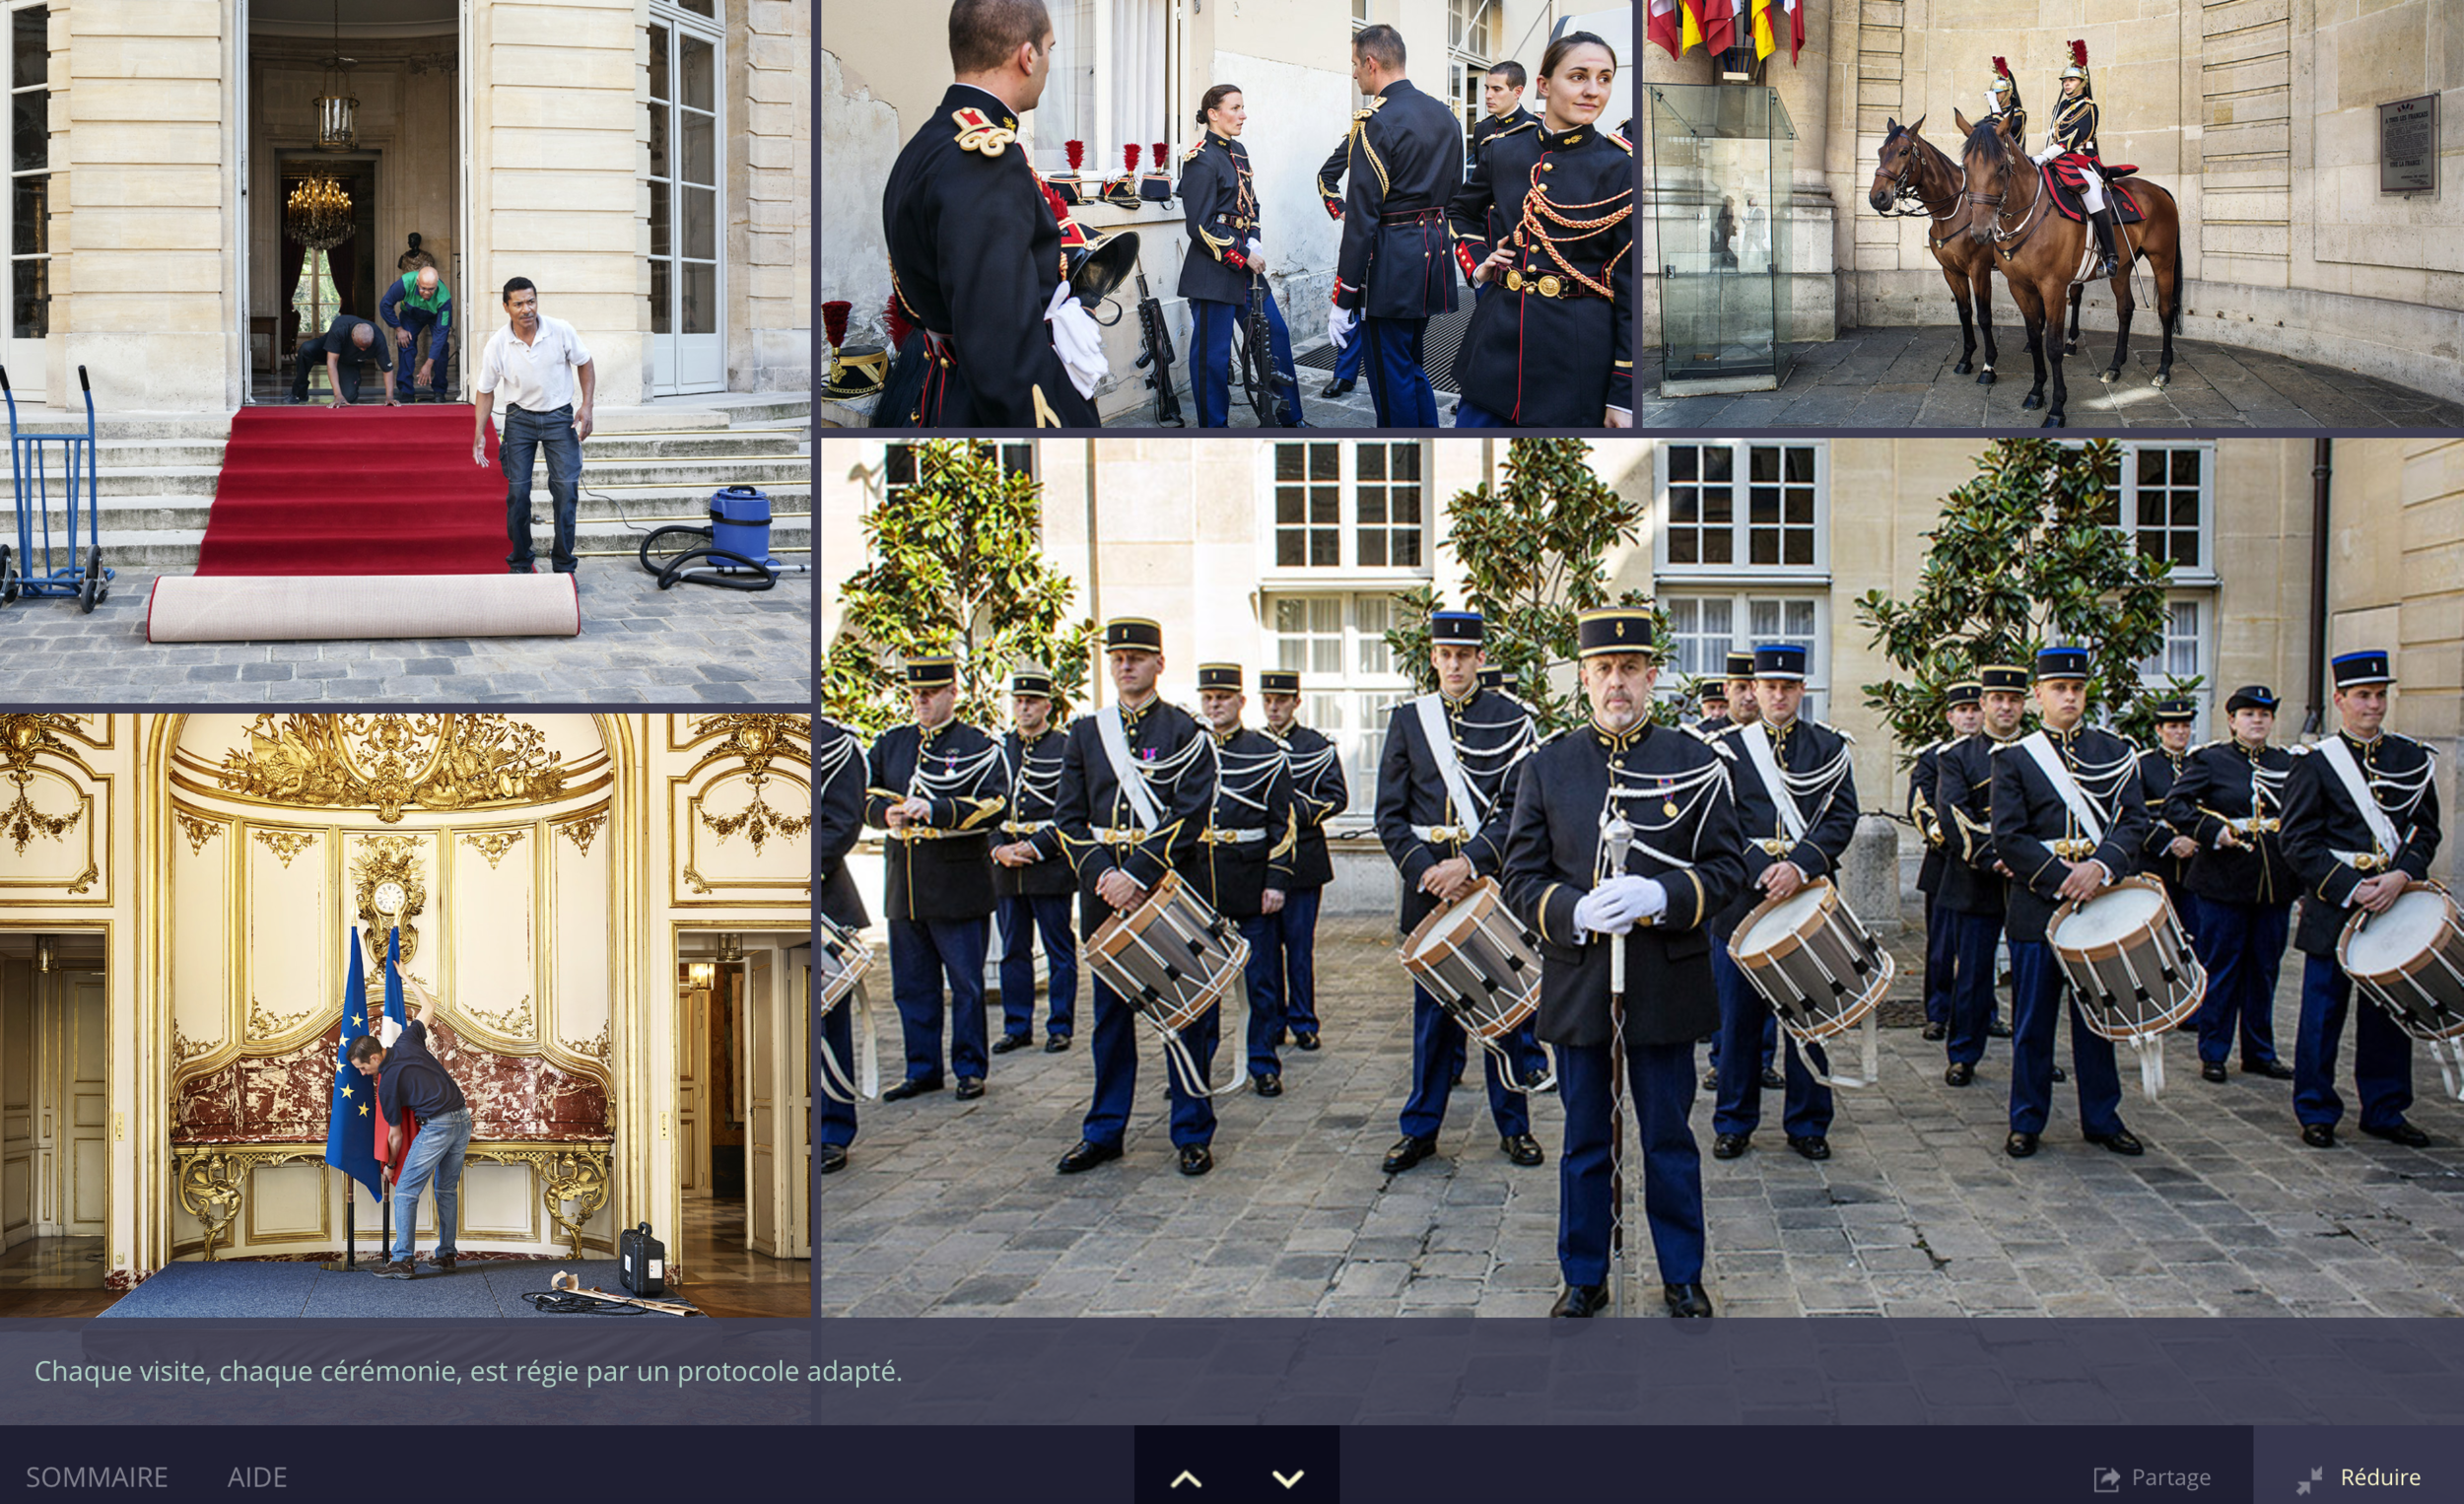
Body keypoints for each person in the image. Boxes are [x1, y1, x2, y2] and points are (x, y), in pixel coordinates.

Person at [1501, 608, 1744, 1319]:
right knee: (1582, 1137)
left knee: (1668, 1135)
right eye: (1604, 670)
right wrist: (1570, 910)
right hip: (1581, 980)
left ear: (1651, 677)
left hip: (1666, 977)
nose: (1617, 684)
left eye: (1630, 669)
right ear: (1584, 678)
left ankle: (1681, 1271)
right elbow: (1520, 876)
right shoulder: (1547, 766)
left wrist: (1664, 893)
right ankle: (1583, 1272)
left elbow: (1727, 867)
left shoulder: (1693, 760)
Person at [1043, 619, 1222, 1176]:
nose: (1126, 666)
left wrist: (1137, 873)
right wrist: (1102, 873)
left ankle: (1191, 1130)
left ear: (1159, 665)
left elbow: (1190, 814)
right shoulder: (1086, 733)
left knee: (1183, 1009)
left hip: (1166, 889)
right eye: (1118, 657)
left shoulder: (1185, 732)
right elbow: (1068, 818)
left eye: (1138, 657)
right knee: (1109, 1018)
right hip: (1102, 892)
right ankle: (1104, 1130)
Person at [1374, 609, 1547, 1174]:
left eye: (1464, 655)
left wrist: (1469, 864)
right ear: (1432, 657)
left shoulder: (1510, 719)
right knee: (1432, 1017)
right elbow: (1389, 814)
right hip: (1428, 885)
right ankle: (1421, 1130)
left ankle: (1514, 1127)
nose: (1454, 664)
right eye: (1444, 654)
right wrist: (1427, 869)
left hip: (1486, 883)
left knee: (1504, 1007)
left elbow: (1519, 811)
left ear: (1479, 658)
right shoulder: (1408, 721)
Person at [877, 0, 1106, 427]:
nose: (1049, 63)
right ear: (1027, 55)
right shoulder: (986, 160)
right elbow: (1004, 353)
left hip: (939, 394)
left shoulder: (926, 144)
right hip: (984, 415)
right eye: (1050, 49)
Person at [1990, 645, 2152, 1159]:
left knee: (2099, 1019)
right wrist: (2064, 878)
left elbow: (2133, 821)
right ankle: (2027, 1119)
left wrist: (2100, 867)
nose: (2069, 697)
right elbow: (2008, 835)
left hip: (2099, 901)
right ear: (2038, 695)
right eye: (2059, 689)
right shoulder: (2014, 758)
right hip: (2040, 907)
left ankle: (2102, 1117)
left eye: (2077, 689)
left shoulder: (2115, 753)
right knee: (2033, 1022)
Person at [2280, 649, 2442, 1150]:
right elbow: (2297, 840)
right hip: (2336, 903)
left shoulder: (2410, 758)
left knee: (2389, 1012)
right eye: (2362, 696)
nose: (2373, 705)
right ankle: (2316, 1108)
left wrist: (2400, 878)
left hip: (2393, 900)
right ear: (2340, 700)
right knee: (2322, 1012)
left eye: (2379, 695)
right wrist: (2352, 886)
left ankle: (2385, 1108)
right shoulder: (2315, 763)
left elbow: (2426, 832)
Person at [1706, 644, 1862, 1164]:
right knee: (1738, 1021)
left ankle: (1808, 1122)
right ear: (1754, 690)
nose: (1778, 695)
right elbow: (1716, 822)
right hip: (1741, 905)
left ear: (1802, 690)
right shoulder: (1726, 749)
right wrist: (1760, 868)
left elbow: (1842, 816)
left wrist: (1799, 865)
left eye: (1788, 687)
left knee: (1810, 1016)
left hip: (1808, 898)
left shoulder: (1827, 748)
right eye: (1769, 687)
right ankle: (1733, 1121)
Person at [1447, 32, 1632, 428]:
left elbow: (1630, 286)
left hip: (1576, 359)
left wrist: (1624, 392)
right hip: (1497, 346)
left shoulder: (1622, 168)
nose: (1593, 91)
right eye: (1578, 76)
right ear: (1544, 85)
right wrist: (1480, 264)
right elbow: (1461, 211)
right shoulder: (1504, 150)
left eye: (1605, 78)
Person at [864, 654, 1009, 1104]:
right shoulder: (891, 743)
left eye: (929, 692)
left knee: (965, 985)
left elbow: (997, 802)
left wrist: (940, 809)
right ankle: (922, 1069)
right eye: (914, 693)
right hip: (905, 884)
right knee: (911, 985)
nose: (920, 700)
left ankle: (969, 1068)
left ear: (952, 692)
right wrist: (883, 813)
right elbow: (862, 792)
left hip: (956, 884)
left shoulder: (978, 745)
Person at [1328, 24, 1463, 428]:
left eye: (1355, 65)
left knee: (1390, 380)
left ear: (1372, 63)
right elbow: (1455, 193)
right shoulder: (1445, 115)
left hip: (1391, 266)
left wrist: (1343, 298)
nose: (1354, 74)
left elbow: (1363, 217)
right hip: (1431, 258)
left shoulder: (1375, 122)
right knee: (1412, 366)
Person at [2165, 685, 2296, 1086]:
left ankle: (2259, 1051)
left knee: (2265, 968)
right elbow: (2176, 806)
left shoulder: (2288, 762)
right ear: (2232, 720)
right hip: (2224, 878)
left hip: (2273, 881)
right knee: (2222, 967)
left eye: (2264, 714)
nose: (2257, 720)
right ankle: (2215, 1051)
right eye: (2248, 714)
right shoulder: (2209, 761)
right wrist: (2213, 831)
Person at [1193, 664, 1298, 1095]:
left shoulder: (1266, 753)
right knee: (1199, 984)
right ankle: (1196, 1065)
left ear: (1241, 701)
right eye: (1208, 698)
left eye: (1223, 697)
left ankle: (1262, 1063)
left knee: (1260, 983)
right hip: (1197, 883)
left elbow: (1283, 825)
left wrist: (1276, 880)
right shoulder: (1188, 751)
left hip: (1250, 880)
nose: (1215, 705)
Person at [1178, 86, 1303, 428]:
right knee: (1213, 359)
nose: (1243, 115)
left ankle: (1290, 418)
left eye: (1243, 107)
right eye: (1235, 108)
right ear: (1213, 114)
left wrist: (1256, 242)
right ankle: (1214, 429)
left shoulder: (1239, 151)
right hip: (1213, 271)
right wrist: (1242, 253)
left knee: (1275, 335)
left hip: (1248, 267)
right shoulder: (1200, 158)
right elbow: (1199, 226)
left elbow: (1252, 205)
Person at [1934, 664, 2030, 1083]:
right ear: (1985, 704)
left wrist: (2026, 861)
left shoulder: (2040, 753)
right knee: (1972, 973)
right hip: (1977, 876)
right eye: (1997, 699)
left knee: (2034, 975)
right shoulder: (1956, 757)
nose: (2005, 707)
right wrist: (1999, 856)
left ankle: (2036, 1054)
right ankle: (1964, 1053)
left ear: (2025, 704)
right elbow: (1954, 816)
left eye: (2013, 700)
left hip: (2032, 880)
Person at [472, 277, 595, 576]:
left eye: (531, 301)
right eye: (519, 304)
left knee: (566, 492)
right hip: (519, 420)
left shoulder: (560, 330)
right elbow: (485, 390)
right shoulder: (498, 344)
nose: (527, 309)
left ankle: (564, 567)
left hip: (559, 419)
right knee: (517, 494)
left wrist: (587, 405)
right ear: (506, 307)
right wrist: (479, 432)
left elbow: (585, 362)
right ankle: (521, 562)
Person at [348, 999, 472, 1278]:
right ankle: (447, 1256)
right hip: (463, 1120)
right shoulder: (407, 1040)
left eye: (363, 1068)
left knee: (405, 1192)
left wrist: (390, 1164)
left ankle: (403, 1260)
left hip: (439, 1126)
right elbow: (429, 1007)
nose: (362, 1073)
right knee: (446, 1190)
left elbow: (395, 1135)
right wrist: (406, 977)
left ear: (376, 1058)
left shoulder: (387, 1084)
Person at [992, 664, 1077, 1055]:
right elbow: (986, 806)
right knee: (1013, 949)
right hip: (1008, 863)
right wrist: (998, 847)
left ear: (1048, 705)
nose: (1024, 709)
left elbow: (1073, 809)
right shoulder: (999, 749)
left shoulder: (1065, 747)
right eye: (1019, 701)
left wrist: (1039, 846)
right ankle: (1017, 1024)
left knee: (1058, 947)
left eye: (1032, 702)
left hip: (1050, 863)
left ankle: (1060, 1024)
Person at [1260, 669, 1347, 1052]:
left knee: (1299, 946)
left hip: (1304, 859)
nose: (1274, 707)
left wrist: (1292, 811)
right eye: (1267, 700)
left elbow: (1335, 796)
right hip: (1262, 861)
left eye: (1281, 700)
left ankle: (1304, 1021)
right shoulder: (1251, 745)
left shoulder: (1317, 745)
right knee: (1264, 950)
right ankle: (1272, 1022)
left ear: (1297, 702)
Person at [1701, 649, 1775, 1091]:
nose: (1749, 696)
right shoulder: (1713, 745)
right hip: (1734, 887)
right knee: (1729, 992)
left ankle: (1763, 1059)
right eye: (1742, 688)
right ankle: (1723, 1058)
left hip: (1787, 886)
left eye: (1755, 688)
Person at [1911, 681, 1985, 1043]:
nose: (1970, 716)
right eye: (1963, 710)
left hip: (1989, 866)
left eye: (1975, 709)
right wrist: (1953, 840)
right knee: (1942, 946)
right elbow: (1921, 806)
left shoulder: (2001, 753)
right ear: (1949, 716)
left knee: (1984, 949)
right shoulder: (1933, 756)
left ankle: (1985, 1013)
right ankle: (1938, 1012)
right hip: (1946, 861)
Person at [819, 716, 871, 1175]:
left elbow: (842, 823)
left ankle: (833, 1130)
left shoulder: (835, 743)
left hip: (821, 899)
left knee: (827, 1027)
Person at [2033, 40, 2117, 275]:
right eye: (2064, 81)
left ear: (2082, 82)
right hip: (2059, 160)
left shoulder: (2089, 107)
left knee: (2092, 196)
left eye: (2071, 80)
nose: (2066, 84)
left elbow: (2073, 137)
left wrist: (2044, 155)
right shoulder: (2059, 109)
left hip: (2083, 161)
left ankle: (2111, 256)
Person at [1465, 62, 1539, 305]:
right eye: (1486, 88)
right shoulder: (1483, 129)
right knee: (1484, 304)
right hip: (1486, 236)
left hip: (1517, 236)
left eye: (1496, 89)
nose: (1487, 95)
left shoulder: (1535, 129)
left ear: (1517, 92)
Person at [2138, 697, 2204, 954]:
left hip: (2196, 867)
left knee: (2196, 938)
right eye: (2173, 726)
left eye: (2185, 726)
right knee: (2157, 941)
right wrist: (2169, 842)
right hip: (2156, 864)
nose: (2180, 732)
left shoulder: (2200, 764)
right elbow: (2134, 816)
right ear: (2159, 730)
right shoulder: (2143, 765)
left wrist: (2195, 840)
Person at [1310, 136, 1368, 398]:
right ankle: (1344, 374)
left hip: (1405, 236)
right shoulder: (1360, 134)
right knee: (1353, 301)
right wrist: (1342, 210)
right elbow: (1327, 175)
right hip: (1365, 231)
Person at [380, 264, 454, 403]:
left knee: (441, 346)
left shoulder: (444, 298)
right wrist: (398, 329)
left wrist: (428, 364)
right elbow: (385, 304)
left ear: (437, 285)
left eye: (431, 289)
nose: (426, 292)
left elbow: (440, 335)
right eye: (423, 288)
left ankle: (439, 391)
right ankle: (406, 391)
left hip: (435, 316)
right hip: (411, 315)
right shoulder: (405, 282)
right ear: (417, 282)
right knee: (405, 344)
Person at [289, 313, 398, 407]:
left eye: (366, 347)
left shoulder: (379, 339)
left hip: (349, 361)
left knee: (348, 398)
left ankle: (353, 380)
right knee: (306, 349)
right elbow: (331, 362)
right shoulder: (340, 328)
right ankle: (299, 393)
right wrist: (337, 395)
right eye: (360, 347)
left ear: (373, 339)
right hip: (329, 351)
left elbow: (387, 369)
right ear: (352, 335)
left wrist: (389, 397)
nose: (364, 349)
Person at [1984, 55, 2028, 149]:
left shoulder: (2019, 115)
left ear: (2009, 92)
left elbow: (2000, 128)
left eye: (1998, 92)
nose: (1995, 96)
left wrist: (1993, 103)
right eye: (1993, 93)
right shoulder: (1990, 117)